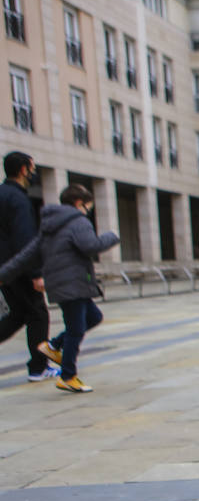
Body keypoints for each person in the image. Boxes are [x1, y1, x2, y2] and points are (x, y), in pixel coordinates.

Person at [0, 184, 120, 393]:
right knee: (76, 329)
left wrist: (3, 274)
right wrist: (112, 236)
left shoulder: (50, 226)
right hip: (73, 284)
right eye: (88, 207)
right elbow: (90, 246)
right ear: (79, 203)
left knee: (93, 317)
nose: (88, 212)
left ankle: (53, 346)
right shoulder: (79, 221)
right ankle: (67, 376)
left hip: (64, 284)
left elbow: (27, 254)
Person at [0, 151, 57, 382]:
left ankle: (38, 366)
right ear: (24, 170)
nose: (33, 173)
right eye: (32, 168)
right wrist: (35, 273)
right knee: (37, 314)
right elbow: (25, 239)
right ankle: (38, 367)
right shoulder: (18, 199)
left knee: (18, 314)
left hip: (4, 270)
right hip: (19, 268)